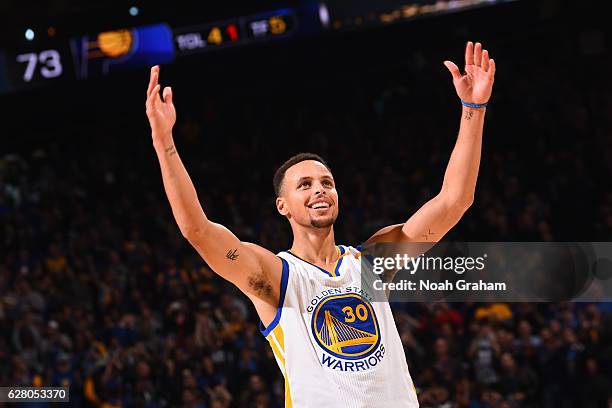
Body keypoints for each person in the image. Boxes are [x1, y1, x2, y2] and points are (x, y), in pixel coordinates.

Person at [144, 41, 496, 407]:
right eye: (305, 185)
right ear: (282, 206)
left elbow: (455, 201)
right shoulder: (275, 277)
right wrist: (163, 141)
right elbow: (197, 230)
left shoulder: (373, 262)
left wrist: (474, 108)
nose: (320, 190)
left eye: (327, 182)